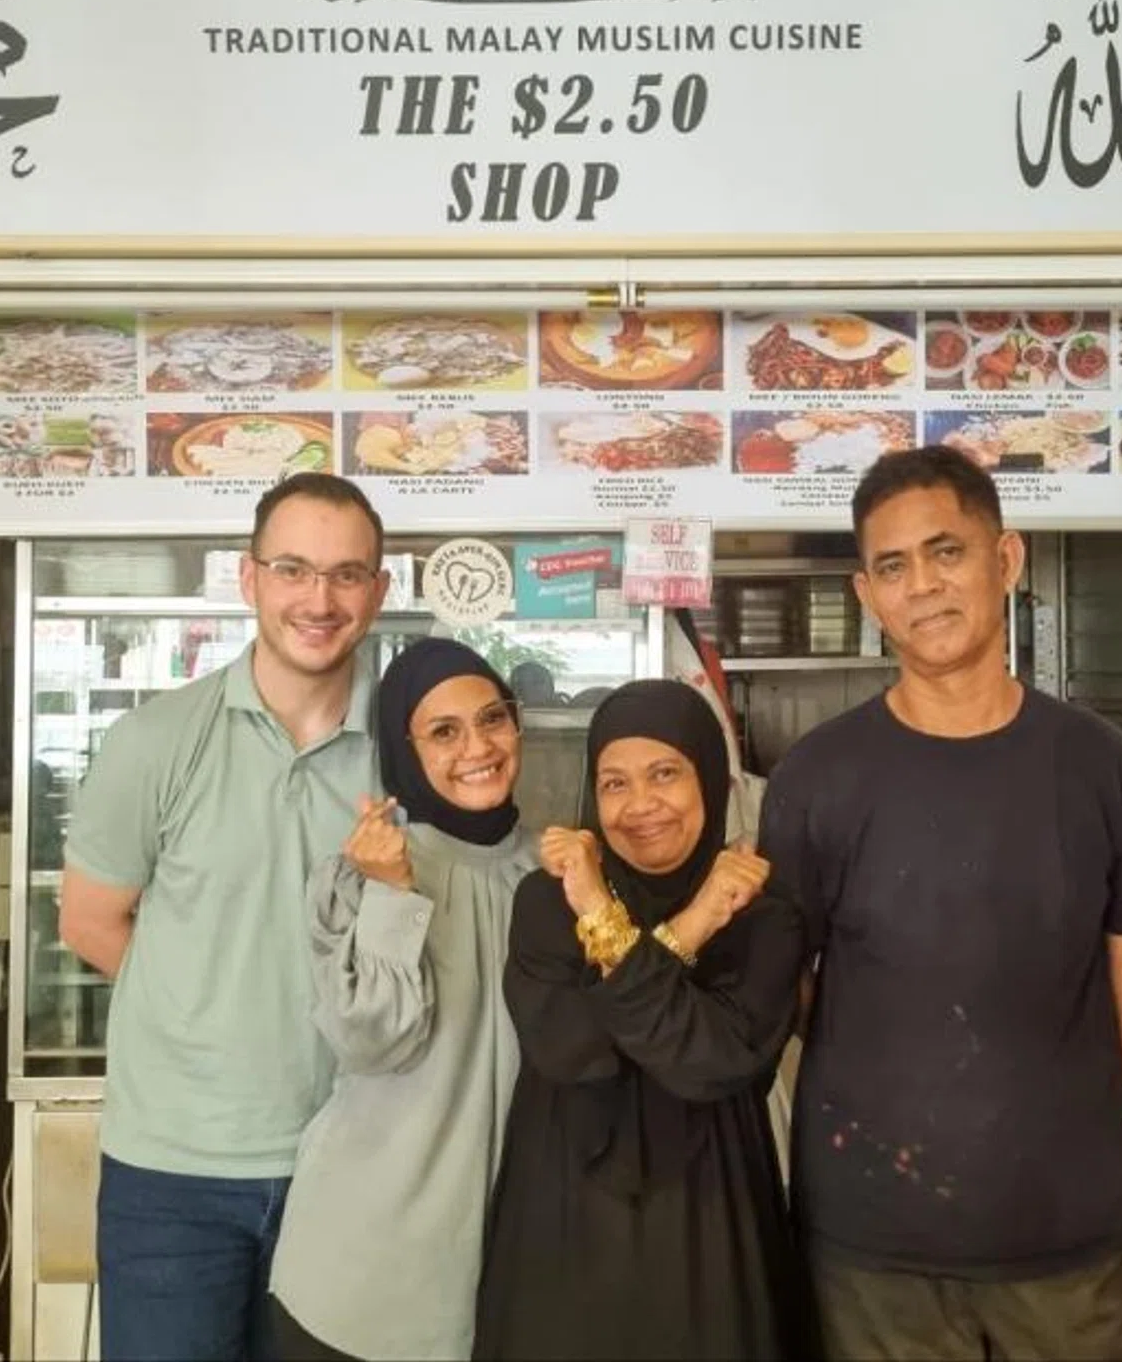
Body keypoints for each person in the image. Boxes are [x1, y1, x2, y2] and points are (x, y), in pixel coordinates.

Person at [761, 445, 1122, 1361]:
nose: (922, 586)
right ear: (866, 596)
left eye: (946, 551)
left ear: (1006, 559)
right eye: (893, 567)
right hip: (874, 1252)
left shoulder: (1100, 766)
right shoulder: (816, 779)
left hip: (1073, 1241)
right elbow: (785, 982)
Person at [59, 473, 391, 1362]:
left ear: (378, 592)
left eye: (347, 575)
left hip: (352, 1162)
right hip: (173, 1174)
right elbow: (90, 922)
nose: (318, 600)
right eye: (293, 569)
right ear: (248, 580)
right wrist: (210, 1006)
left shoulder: (411, 754)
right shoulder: (157, 742)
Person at [473, 680, 808, 1361]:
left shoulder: (763, 916)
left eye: (665, 774)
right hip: (562, 1213)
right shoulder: (550, 902)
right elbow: (568, 1048)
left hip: (714, 1217)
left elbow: (709, 1063)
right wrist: (684, 926)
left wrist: (622, 946)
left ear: (709, 782)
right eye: (615, 783)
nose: (640, 806)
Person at [266, 638, 538, 1361]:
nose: (476, 747)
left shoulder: (552, 874)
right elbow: (374, 1041)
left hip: (510, 1272)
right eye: (443, 732)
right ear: (403, 747)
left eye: (493, 719)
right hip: (365, 1277)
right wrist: (392, 894)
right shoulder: (365, 872)